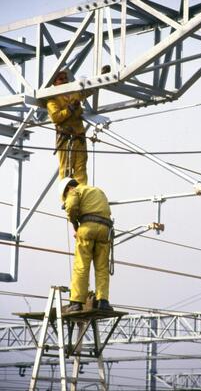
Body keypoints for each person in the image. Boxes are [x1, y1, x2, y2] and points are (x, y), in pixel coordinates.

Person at [47, 66, 111, 185]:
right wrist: (70, 109)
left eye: (65, 78)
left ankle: (82, 191)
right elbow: (56, 117)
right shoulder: (53, 100)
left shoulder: (74, 94)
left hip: (79, 135)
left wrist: (101, 77)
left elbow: (88, 90)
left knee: (81, 165)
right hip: (65, 136)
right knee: (66, 167)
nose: (64, 81)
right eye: (61, 79)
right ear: (54, 83)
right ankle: (66, 195)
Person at [59, 177, 114, 312]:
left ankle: (76, 301)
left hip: (87, 228)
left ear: (68, 188)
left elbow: (71, 206)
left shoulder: (74, 191)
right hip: (105, 230)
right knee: (102, 267)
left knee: (81, 265)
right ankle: (103, 301)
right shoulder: (97, 190)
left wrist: (75, 224)